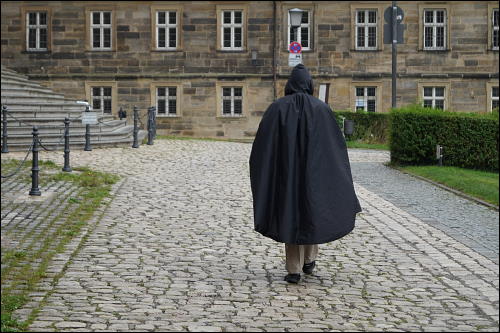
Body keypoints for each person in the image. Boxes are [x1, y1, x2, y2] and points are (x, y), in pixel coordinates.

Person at [249, 64, 362, 284]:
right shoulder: (321, 109)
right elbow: (334, 148)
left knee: (290, 215)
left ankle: (294, 269)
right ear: (310, 85)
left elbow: (263, 146)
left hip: (286, 175)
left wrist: (266, 172)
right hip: (314, 173)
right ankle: (309, 259)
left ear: (289, 85)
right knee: (313, 211)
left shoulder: (277, 108)